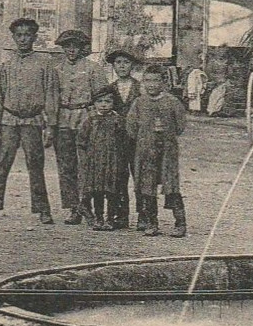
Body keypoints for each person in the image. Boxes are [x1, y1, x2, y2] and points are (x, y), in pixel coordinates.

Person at [0, 17, 60, 224]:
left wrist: (50, 126)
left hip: (32, 121)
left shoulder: (45, 64)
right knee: (1, 164)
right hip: (9, 120)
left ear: (34, 37)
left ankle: (43, 209)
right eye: (19, 35)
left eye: (27, 35)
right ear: (13, 37)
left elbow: (51, 96)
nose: (23, 39)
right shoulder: (7, 65)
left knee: (35, 165)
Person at [127, 67, 188, 237]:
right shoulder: (139, 102)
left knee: (171, 185)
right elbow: (131, 127)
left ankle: (180, 223)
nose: (151, 85)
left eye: (155, 80)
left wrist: (166, 134)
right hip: (146, 150)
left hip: (167, 150)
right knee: (147, 185)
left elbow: (180, 125)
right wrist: (144, 137)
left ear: (164, 83)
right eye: (147, 81)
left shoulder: (172, 102)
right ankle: (152, 222)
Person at [53, 28, 101, 225]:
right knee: (66, 165)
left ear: (83, 48)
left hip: (85, 118)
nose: (71, 50)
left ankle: (86, 204)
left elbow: (102, 96)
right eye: (67, 46)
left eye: (76, 46)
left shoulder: (93, 68)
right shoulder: (56, 70)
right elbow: (51, 97)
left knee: (86, 164)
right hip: (63, 119)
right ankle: (73, 208)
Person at [76, 85, 126, 231]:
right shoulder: (90, 120)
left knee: (112, 191)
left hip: (113, 162)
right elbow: (81, 141)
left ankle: (110, 219)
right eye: (100, 101)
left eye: (108, 101)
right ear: (95, 103)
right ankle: (98, 218)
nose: (104, 105)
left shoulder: (118, 120)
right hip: (95, 162)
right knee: (97, 190)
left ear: (113, 103)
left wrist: (120, 158)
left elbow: (123, 141)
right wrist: (85, 159)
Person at [103, 48, 141, 228]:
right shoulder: (109, 89)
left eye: (126, 62)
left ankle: (144, 216)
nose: (122, 66)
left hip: (137, 139)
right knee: (119, 176)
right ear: (113, 66)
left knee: (140, 176)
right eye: (118, 63)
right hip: (117, 139)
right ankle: (121, 215)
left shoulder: (141, 88)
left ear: (132, 65)